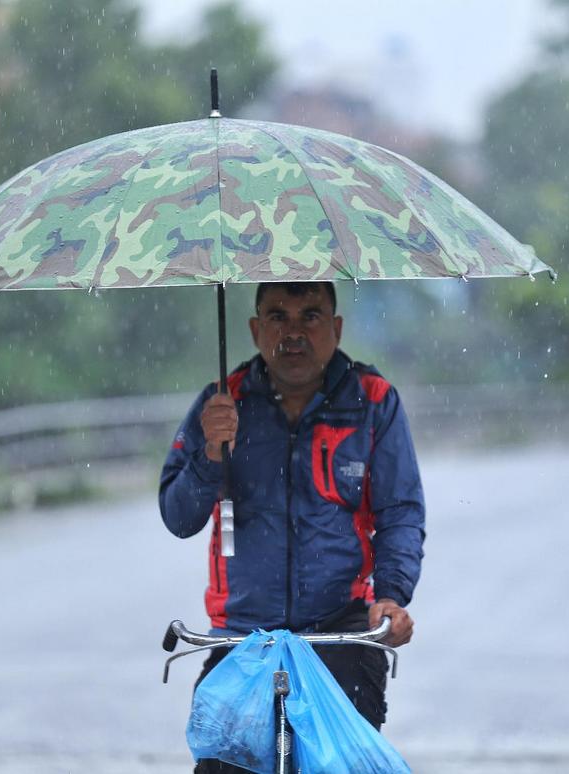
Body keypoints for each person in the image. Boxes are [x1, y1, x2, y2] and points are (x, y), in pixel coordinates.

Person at [159, 282, 426, 773]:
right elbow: (179, 517)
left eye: (311, 315)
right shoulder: (221, 403)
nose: (294, 332)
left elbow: (401, 514)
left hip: (340, 630)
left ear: (337, 327)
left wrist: (391, 597)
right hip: (242, 636)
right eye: (278, 316)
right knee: (221, 764)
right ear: (255, 329)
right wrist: (208, 452)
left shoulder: (374, 401)